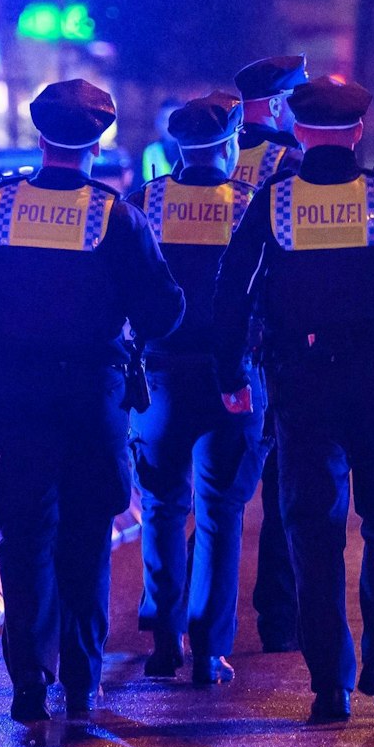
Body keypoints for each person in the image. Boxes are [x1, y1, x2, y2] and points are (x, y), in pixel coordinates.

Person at [212, 77, 374, 724]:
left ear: (300, 133)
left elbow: (231, 293)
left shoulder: (274, 204)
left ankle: (329, 684)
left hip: (300, 386)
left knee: (312, 530)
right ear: (357, 132)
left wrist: (230, 372)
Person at [0, 79, 185, 724]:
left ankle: (28, 683)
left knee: (24, 536)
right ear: (96, 143)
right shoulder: (116, 217)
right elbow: (163, 311)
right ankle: (80, 683)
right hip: (93, 396)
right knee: (86, 535)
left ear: (39, 139)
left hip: (15, 394)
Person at [129, 93, 268, 685]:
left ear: (177, 150)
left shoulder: (147, 202)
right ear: (231, 146)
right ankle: (209, 651)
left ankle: (165, 639)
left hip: (159, 375)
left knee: (161, 506)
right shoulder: (249, 204)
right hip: (231, 378)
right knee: (220, 512)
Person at [233, 54, 310, 652]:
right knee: (286, 484)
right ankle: (279, 617)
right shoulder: (291, 165)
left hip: (207, 342)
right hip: (271, 344)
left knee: (216, 493)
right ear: (279, 106)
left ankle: (183, 612)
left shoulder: (211, 156)